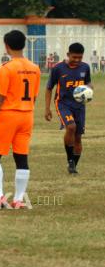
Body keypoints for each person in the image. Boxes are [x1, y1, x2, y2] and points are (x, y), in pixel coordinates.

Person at [0, 30, 41, 210]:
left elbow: (0, 97)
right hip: (27, 116)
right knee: (21, 157)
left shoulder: (6, 68)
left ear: (6, 46)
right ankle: (18, 200)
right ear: (23, 44)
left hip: (8, 115)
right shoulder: (35, 68)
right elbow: (34, 96)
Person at [45, 43, 93, 174]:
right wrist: (47, 108)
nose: (77, 60)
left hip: (79, 106)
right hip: (63, 103)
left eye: (80, 57)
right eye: (74, 57)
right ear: (68, 55)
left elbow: (88, 82)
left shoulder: (85, 67)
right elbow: (49, 88)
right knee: (71, 127)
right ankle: (70, 159)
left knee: (78, 137)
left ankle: (73, 167)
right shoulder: (58, 68)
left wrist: (89, 89)